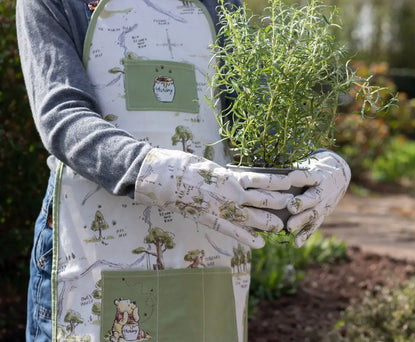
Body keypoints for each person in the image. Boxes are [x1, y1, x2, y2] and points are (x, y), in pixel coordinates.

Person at [17, 0, 351, 341]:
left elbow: (251, 115)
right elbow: (63, 116)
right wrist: (164, 176)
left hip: (210, 250)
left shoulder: (219, 4)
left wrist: (321, 163)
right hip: (93, 250)